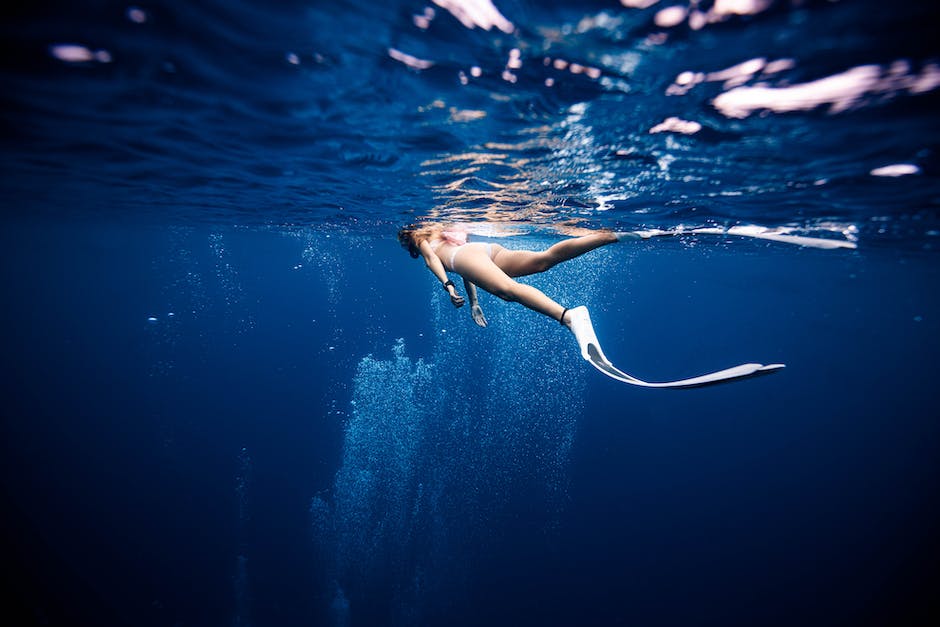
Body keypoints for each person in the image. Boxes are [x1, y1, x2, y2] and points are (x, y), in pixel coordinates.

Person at [397, 223, 622, 328]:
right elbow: (471, 269)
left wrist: (448, 285)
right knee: (542, 261)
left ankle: (569, 317)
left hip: (465, 258)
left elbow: (432, 260)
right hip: (482, 251)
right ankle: (607, 236)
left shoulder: (418, 238)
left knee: (508, 291)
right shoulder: (438, 232)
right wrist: (474, 303)